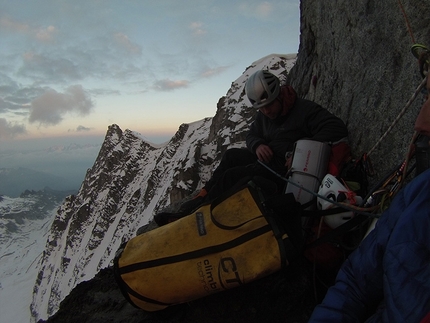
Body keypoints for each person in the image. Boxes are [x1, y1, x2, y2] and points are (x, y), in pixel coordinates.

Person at [308, 74, 430, 322]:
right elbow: (356, 282)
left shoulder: (303, 111)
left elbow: (334, 128)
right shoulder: (419, 194)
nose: (420, 123)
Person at [155, 70, 349, 225]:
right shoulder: (265, 116)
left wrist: (299, 152)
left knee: (233, 176)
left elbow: (335, 127)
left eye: (269, 105)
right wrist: (257, 145)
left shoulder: (304, 110)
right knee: (231, 156)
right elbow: (251, 134)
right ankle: (202, 195)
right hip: (267, 158)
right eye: (261, 108)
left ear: (279, 96)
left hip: (282, 171)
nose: (266, 111)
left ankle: (198, 213)